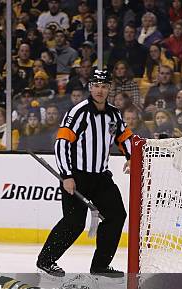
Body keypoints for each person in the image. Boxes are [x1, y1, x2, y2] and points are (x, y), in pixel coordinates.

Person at [36, 70, 145, 278]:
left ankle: (100, 266)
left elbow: (125, 138)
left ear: (109, 89)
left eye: (104, 86)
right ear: (90, 87)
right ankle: (46, 260)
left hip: (101, 177)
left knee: (116, 215)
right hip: (77, 176)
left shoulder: (114, 114)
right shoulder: (79, 112)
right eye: (96, 85)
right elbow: (61, 144)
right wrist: (66, 175)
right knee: (74, 223)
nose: (100, 90)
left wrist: (131, 157)